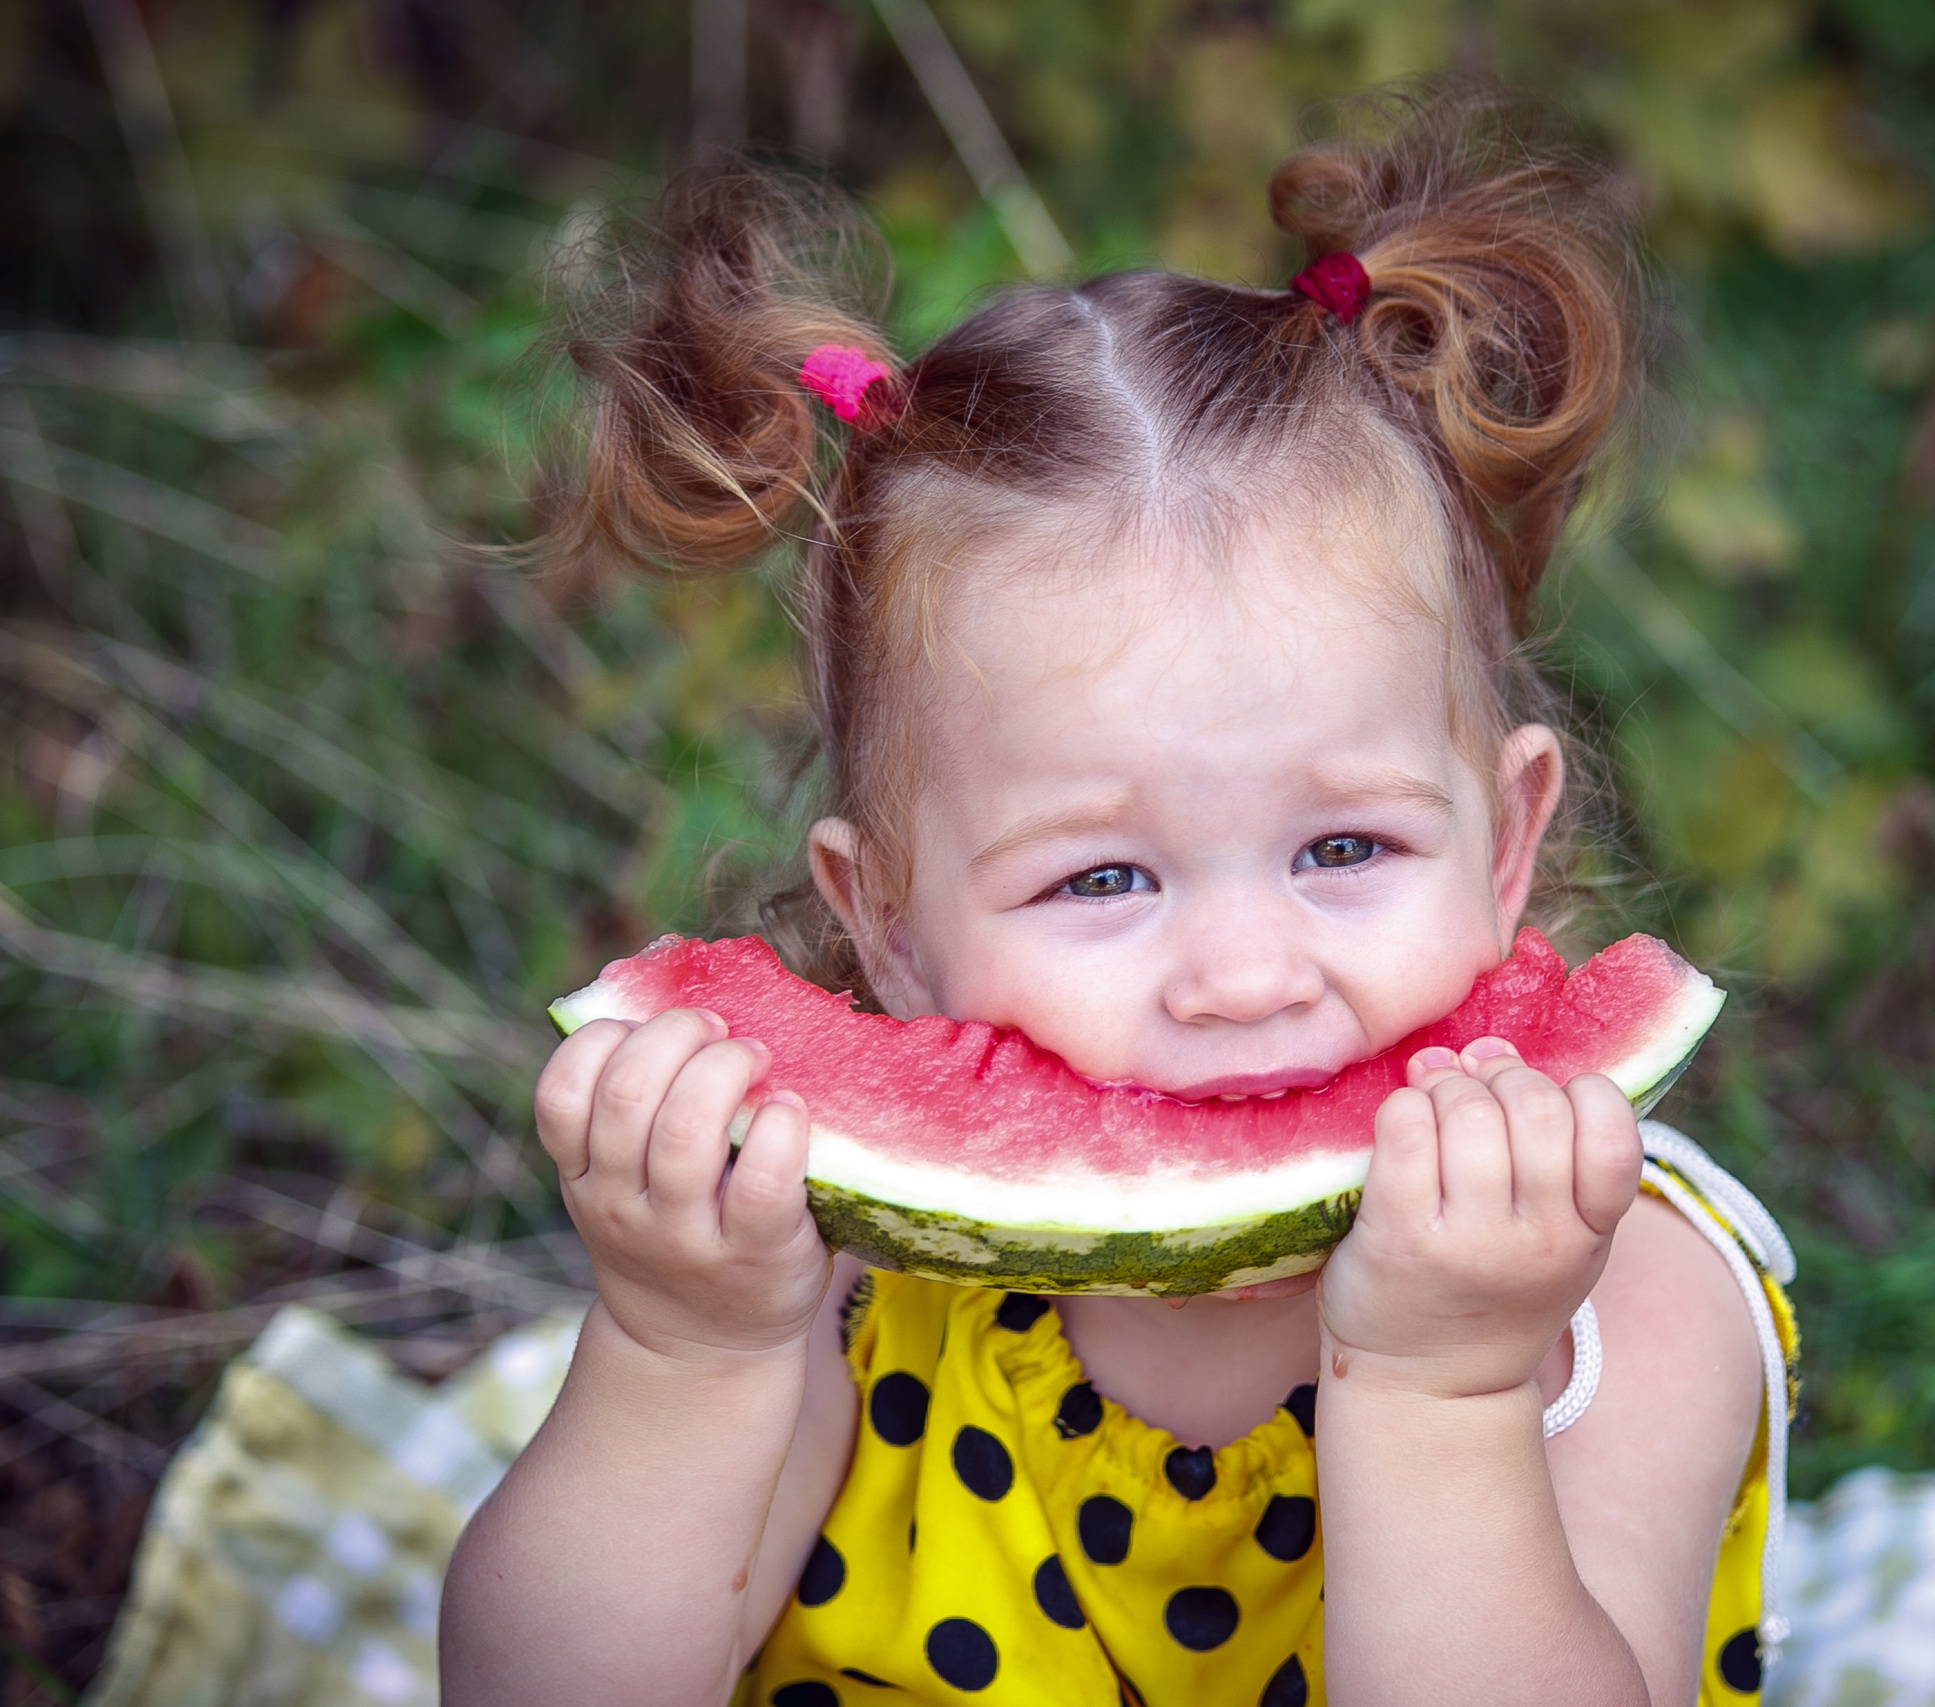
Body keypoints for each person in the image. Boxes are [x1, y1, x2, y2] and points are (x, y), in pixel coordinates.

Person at [441, 87, 1797, 1707]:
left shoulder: (1623, 1295)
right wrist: (686, 1355)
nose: (1240, 974)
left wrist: (1441, 1393)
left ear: (1506, 841)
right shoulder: (849, 1273)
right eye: (1101, 878)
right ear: (888, 922)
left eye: (1344, 849)